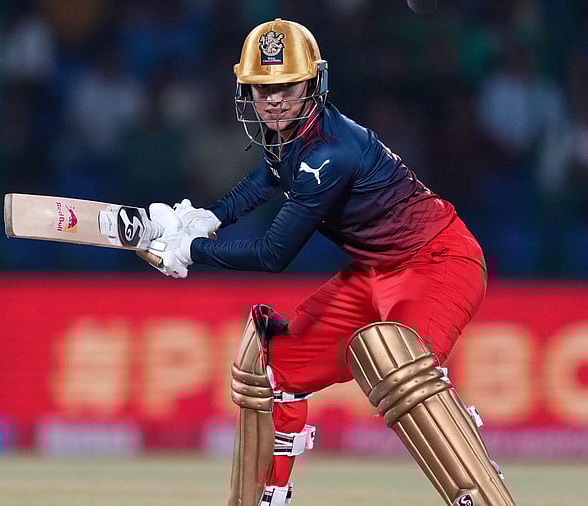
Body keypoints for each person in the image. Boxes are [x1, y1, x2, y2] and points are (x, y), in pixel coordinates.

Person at [141, 18, 517, 506]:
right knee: (271, 365)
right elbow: (266, 177)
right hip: (373, 272)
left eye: (286, 87)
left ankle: (480, 490)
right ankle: (268, 496)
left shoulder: (331, 153)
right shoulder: (293, 135)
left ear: (312, 83)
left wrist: (189, 251)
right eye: (262, 88)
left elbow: (274, 254)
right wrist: (208, 218)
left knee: (398, 364)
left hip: (439, 263)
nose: (273, 100)